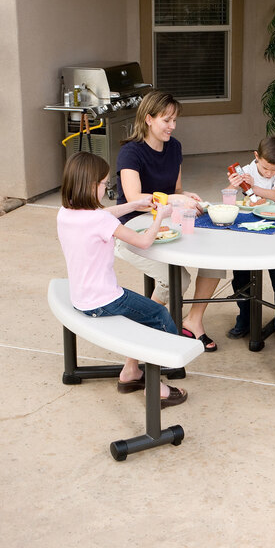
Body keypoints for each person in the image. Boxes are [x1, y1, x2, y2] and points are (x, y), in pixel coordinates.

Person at [57, 151, 187, 408]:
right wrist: (160, 216)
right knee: (159, 317)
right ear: (91, 186)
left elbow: (103, 215)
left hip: (82, 296)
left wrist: (132, 206)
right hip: (105, 300)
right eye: (104, 184)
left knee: (144, 313)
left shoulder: (65, 213)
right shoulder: (100, 219)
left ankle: (131, 373)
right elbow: (144, 241)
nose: (107, 188)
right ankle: (158, 384)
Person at [114, 90, 221, 351]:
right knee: (176, 280)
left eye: (175, 120)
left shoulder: (174, 148)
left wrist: (185, 196)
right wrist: (174, 200)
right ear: (148, 119)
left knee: (215, 261)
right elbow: (134, 197)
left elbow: (176, 190)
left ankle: (194, 321)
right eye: (166, 120)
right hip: (132, 230)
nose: (172, 126)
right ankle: (143, 331)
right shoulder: (131, 153)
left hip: (166, 226)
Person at [226, 137, 275, 343]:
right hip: (248, 227)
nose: (269, 173)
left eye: (274, 169)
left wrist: (254, 187)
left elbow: (274, 195)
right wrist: (232, 185)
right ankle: (245, 319)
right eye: (265, 168)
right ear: (256, 156)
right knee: (241, 277)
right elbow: (227, 196)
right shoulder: (246, 170)